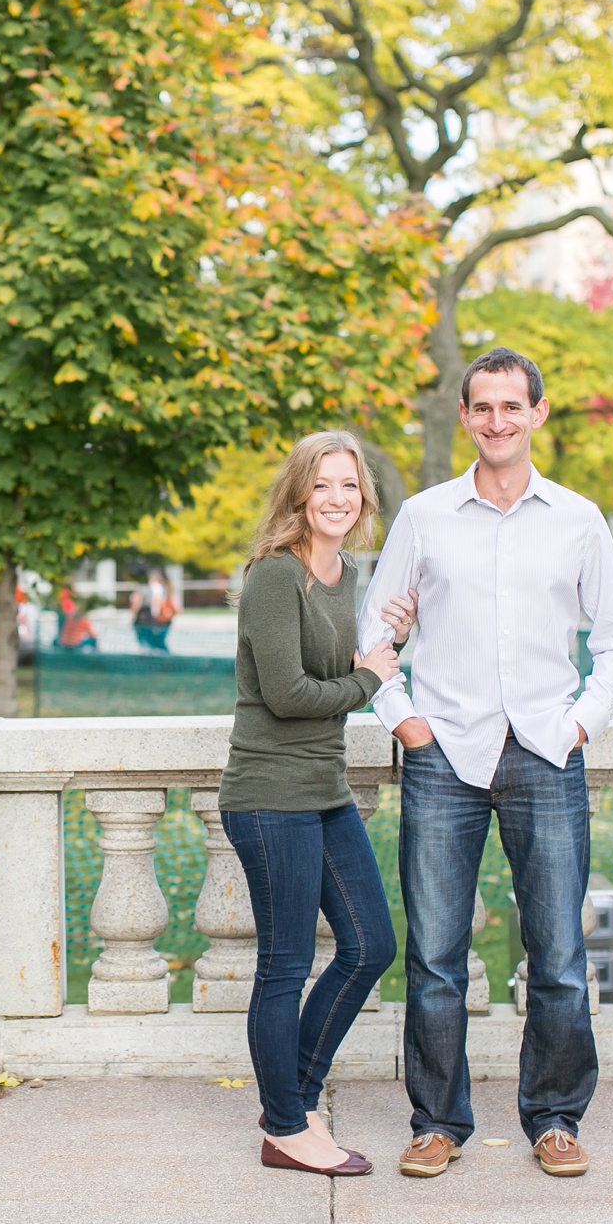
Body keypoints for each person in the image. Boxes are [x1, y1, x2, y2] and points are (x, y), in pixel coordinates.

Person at [357, 347, 613, 1182]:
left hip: (546, 750)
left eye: (512, 406)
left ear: (538, 413)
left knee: (556, 954)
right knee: (437, 954)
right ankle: (437, 1121)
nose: (497, 421)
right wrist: (403, 719)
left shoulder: (579, 519)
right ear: (466, 416)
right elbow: (373, 630)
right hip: (444, 749)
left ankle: (554, 1118)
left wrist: (581, 723)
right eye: (482, 407)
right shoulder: (425, 515)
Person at [219, 430, 401, 1176]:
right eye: (323, 484)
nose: (336, 498)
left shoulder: (345, 571)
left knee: (371, 945)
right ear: (299, 493)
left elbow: (348, 663)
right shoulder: (274, 576)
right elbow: (291, 695)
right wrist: (370, 680)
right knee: (285, 965)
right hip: (269, 795)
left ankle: (289, 1100)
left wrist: (381, 654)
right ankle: (289, 1128)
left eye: (349, 486)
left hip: (323, 789)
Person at [130, 569, 175, 651]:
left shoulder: (148, 589)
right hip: (154, 619)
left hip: (147, 619)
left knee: (149, 642)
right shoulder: (163, 588)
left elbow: (137, 603)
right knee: (156, 642)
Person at [56, 586, 99, 652]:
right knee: (93, 640)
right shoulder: (83, 620)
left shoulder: (69, 617)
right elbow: (92, 635)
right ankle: (96, 656)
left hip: (63, 643)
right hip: (74, 645)